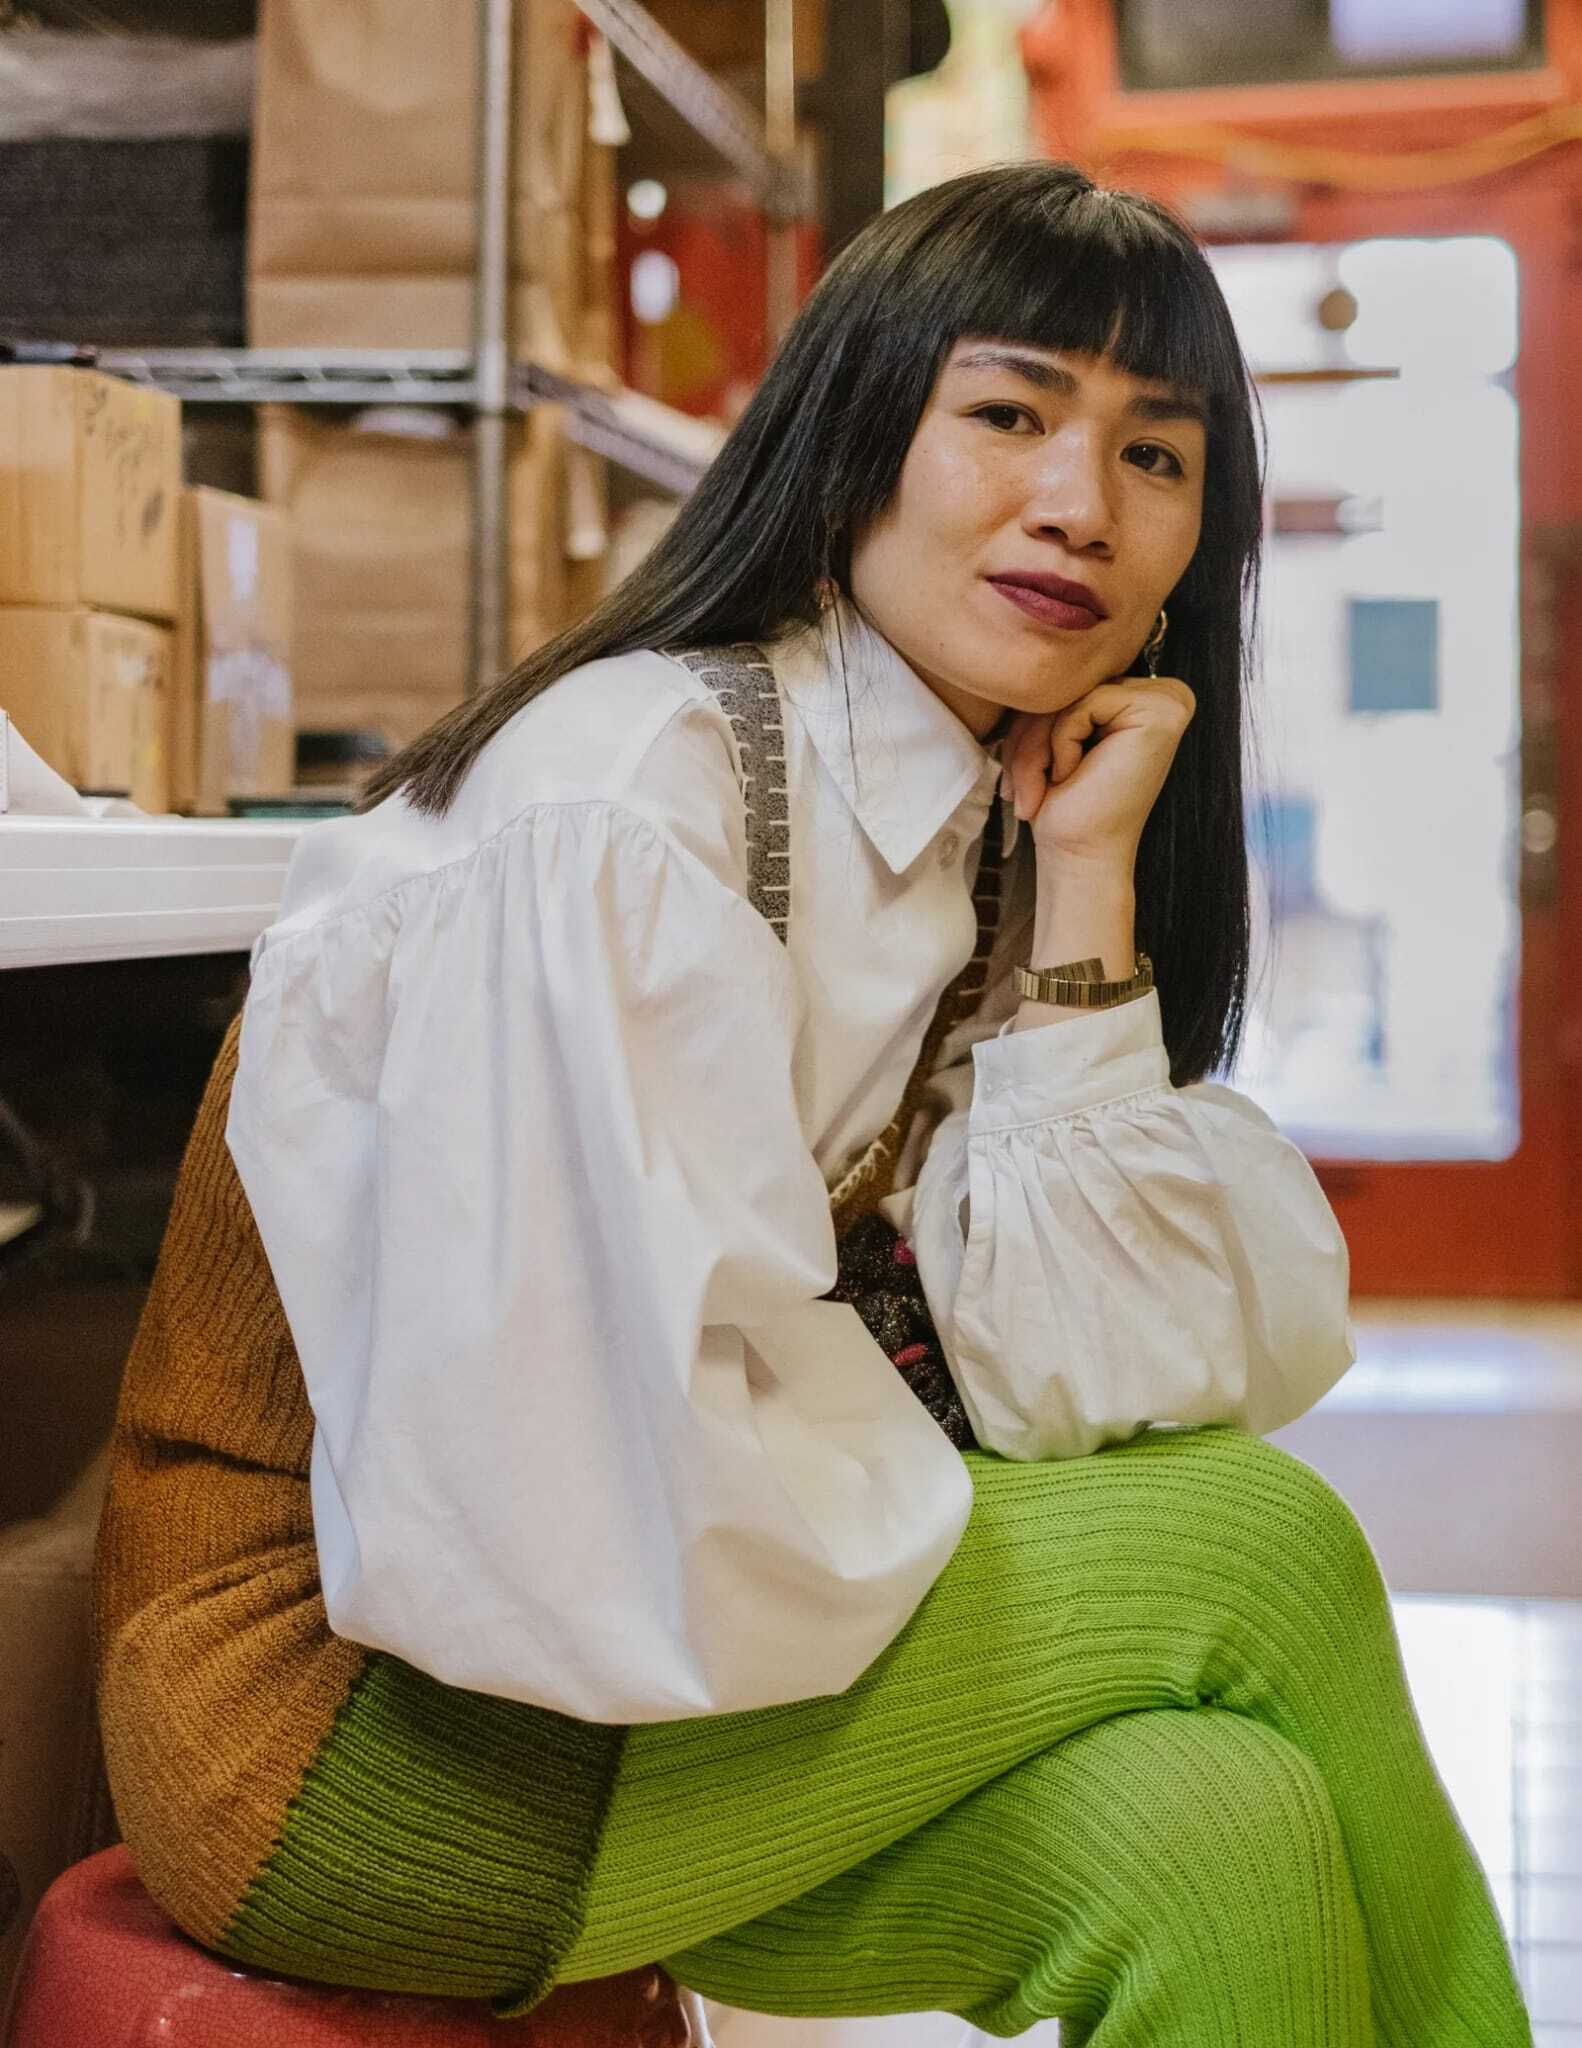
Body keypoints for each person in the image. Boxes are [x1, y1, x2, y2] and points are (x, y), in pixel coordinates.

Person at [93, 161, 1532, 2046]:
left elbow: (1094, 1381)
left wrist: (1087, 889)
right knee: (1261, 1549)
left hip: (628, 1680)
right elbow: (560, 1524)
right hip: (358, 1726)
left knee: (1216, 1831)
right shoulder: (633, 801)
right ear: (856, 434)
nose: (1079, 506)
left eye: (1154, 456)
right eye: (1007, 414)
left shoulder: (982, 819)